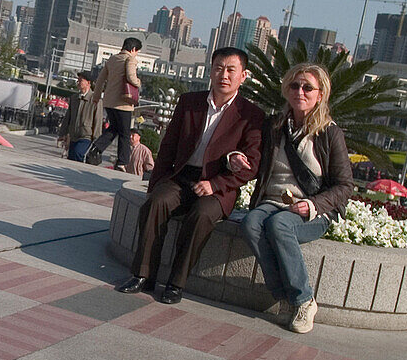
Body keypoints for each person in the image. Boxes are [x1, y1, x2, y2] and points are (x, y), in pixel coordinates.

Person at [116, 47, 263, 303]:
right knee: (155, 203)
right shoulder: (190, 102)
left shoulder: (251, 116)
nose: (223, 75)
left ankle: (176, 283)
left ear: (243, 75)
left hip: (219, 187)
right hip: (183, 176)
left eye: (231, 70)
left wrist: (216, 183)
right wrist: (157, 184)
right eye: (218, 68)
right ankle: (143, 275)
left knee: (202, 215)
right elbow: (168, 147)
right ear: (211, 70)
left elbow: (252, 166)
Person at [234, 62, 354, 333]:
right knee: (251, 224)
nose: (300, 91)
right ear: (286, 89)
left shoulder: (330, 134)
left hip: (313, 210)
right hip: (272, 201)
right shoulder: (274, 126)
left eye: (308, 87)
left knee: (279, 225)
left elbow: (345, 186)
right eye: (294, 85)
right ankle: (284, 297)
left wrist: (312, 204)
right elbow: (258, 165)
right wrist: (239, 161)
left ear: (320, 94)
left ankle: (303, 300)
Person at [91, 37, 142, 171]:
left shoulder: (112, 59)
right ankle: (122, 162)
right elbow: (131, 77)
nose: (136, 54)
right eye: (137, 52)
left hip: (109, 101)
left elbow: (100, 80)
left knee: (114, 128)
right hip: (123, 103)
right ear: (133, 49)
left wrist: (96, 96)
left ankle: (97, 148)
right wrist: (138, 82)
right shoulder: (130, 59)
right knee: (125, 133)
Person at [58, 72, 103, 162]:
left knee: (78, 153)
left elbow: (98, 120)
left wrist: (97, 139)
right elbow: (68, 118)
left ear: (88, 83)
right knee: (71, 158)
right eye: (78, 80)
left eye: (81, 80)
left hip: (86, 136)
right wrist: (62, 134)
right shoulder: (74, 98)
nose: (78, 83)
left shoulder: (95, 100)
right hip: (73, 135)